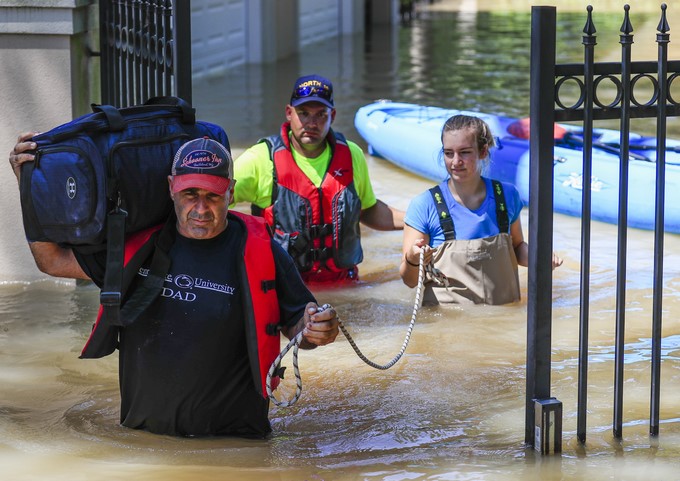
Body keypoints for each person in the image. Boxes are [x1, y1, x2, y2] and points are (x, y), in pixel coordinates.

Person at [9, 135, 340, 438]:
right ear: (171, 188)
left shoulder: (262, 251)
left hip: (236, 447)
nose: (200, 208)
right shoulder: (137, 249)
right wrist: (30, 184)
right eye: (190, 194)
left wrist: (316, 329)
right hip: (142, 442)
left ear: (232, 192)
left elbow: (300, 324)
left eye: (212, 195)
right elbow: (52, 261)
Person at [232, 74, 405, 284]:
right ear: (289, 113)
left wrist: (417, 222)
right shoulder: (259, 159)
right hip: (286, 289)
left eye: (320, 114)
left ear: (332, 115)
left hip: (345, 284)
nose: (311, 123)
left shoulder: (352, 155)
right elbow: (214, 202)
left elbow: (368, 210)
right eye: (303, 113)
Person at [400, 114, 563, 305]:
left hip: (502, 320)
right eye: (449, 153)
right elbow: (409, 280)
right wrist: (412, 259)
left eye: (465, 152)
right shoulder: (424, 204)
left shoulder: (507, 196)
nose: (455, 161)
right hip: (448, 325)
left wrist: (539, 259)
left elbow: (517, 247)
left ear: (483, 151)